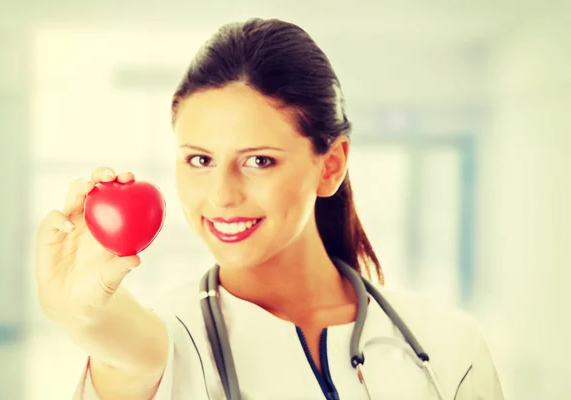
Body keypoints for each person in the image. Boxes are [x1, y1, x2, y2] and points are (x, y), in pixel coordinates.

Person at [35, 18, 505, 400]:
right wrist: (78, 312)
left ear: (331, 166)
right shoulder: (167, 340)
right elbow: (124, 349)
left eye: (259, 161)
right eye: (200, 160)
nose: (221, 195)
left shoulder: (449, 344)